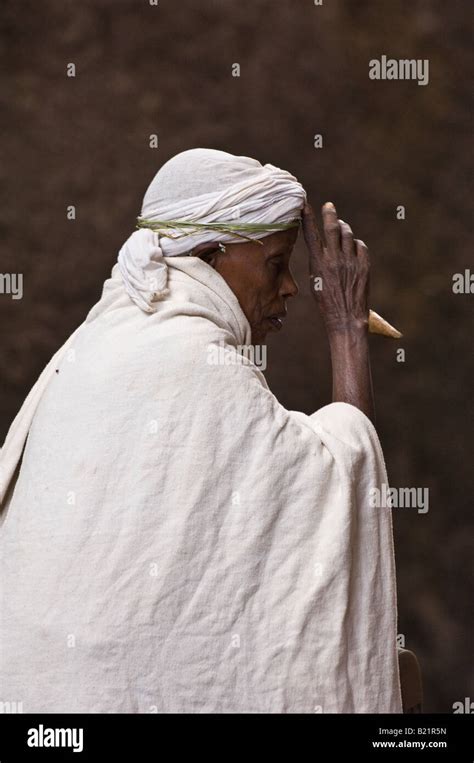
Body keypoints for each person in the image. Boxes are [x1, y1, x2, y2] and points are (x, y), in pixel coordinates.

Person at [0, 148, 402, 713]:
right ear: (212, 254)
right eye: (276, 263)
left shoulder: (94, 343)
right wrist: (345, 326)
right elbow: (333, 485)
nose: (289, 287)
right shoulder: (192, 363)